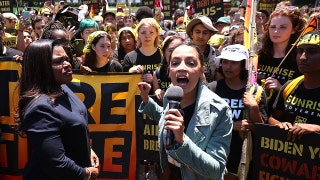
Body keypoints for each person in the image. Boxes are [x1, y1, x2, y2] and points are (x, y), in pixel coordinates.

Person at [138, 43, 233, 179]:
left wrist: (182, 140)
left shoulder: (219, 110)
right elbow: (164, 117)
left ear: (202, 71)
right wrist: (146, 100)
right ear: (169, 70)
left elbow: (216, 170)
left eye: (191, 63)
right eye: (175, 63)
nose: (182, 67)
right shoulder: (171, 96)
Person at [14, 39, 99, 179]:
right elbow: (56, 162)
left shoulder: (62, 87)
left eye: (67, 59)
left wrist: (88, 150)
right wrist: (86, 173)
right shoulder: (40, 108)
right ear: (41, 67)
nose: (67, 64)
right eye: (59, 61)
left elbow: (74, 131)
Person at [208, 44, 268, 179]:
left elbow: (262, 130)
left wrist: (253, 108)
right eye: (225, 62)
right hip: (217, 151)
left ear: (243, 65)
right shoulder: (211, 89)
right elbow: (203, 123)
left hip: (245, 156)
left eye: (234, 63)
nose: (228, 66)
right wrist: (231, 126)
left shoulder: (255, 92)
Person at [268, 30, 320, 141]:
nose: (303, 57)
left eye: (312, 51)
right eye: (300, 51)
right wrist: (279, 124)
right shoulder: (289, 86)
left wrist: (316, 128)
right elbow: (273, 118)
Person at [257, 6, 306, 116]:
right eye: (272, 26)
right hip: (257, 116)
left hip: (283, 120)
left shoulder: (300, 59)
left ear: (294, 29)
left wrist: (281, 88)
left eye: (283, 27)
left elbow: (306, 95)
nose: (276, 31)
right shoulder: (259, 56)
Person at [123, 18, 162, 93]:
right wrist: (130, 73)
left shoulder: (163, 55)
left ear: (157, 33)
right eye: (143, 32)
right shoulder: (129, 57)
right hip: (136, 101)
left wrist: (154, 80)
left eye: (151, 32)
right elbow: (123, 84)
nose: (147, 36)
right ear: (138, 34)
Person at [186, 15, 219, 83]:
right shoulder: (182, 52)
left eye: (205, 33)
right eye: (197, 32)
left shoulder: (216, 55)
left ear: (210, 35)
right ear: (191, 34)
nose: (201, 36)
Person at [152, 35, 184, 101]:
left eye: (178, 49)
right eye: (171, 50)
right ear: (163, 53)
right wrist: (158, 92)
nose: (175, 53)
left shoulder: (190, 71)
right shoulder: (158, 73)